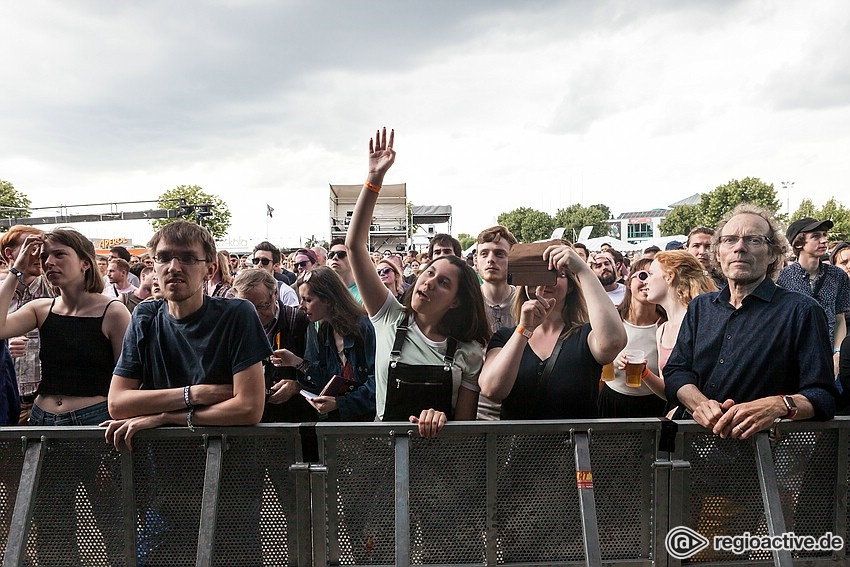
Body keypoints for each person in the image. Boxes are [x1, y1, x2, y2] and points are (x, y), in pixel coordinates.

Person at [103, 220, 269, 565]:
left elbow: (249, 408)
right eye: (163, 258)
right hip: (166, 478)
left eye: (187, 259)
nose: (173, 267)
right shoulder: (146, 316)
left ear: (209, 269)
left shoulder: (238, 314)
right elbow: (118, 403)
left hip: (233, 477)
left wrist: (163, 417)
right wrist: (197, 394)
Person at [345, 127, 490, 437]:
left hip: (440, 470)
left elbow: (465, 432)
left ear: (456, 301)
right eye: (429, 273)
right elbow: (355, 246)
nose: (428, 283)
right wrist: (374, 180)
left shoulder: (469, 351)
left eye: (443, 283)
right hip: (384, 456)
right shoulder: (388, 316)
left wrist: (443, 421)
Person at [0, 228, 131, 565]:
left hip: (95, 424)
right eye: (45, 256)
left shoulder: (113, 312)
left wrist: (117, 429)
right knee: (51, 520)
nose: (49, 262)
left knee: (112, 518)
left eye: (60, 255)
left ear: (86, 263)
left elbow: (127, 379)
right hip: (45, 424)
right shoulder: (41, 309)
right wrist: (16, 267)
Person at [664, 204, 837, 436]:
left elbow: (822, 395)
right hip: (696, 446)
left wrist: (778, 405)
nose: (739, 248)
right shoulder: (701, 307)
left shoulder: (802, 311)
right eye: (729, 240)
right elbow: (676, 371)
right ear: (718, 253)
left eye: (754, 240)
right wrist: (700, 404)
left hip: (764, 455)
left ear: (773, 253)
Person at [479, 243, 626, 419]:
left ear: (570, 286)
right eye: (539, 273)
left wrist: (582, 269)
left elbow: (613, 342)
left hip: (574, 444)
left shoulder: (585, 336)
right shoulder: (504, 337)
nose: (546, 281)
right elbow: (491, 389)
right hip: (520, 444)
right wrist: (524, 329)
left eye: (558, 274)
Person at [280, 267, 376, 420]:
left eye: (308, 300)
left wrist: (341, 403)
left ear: (329, 299)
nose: (301, 306)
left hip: (368, 422)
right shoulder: (325, 330)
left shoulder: (364, 328)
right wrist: (294, 361)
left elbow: (377, 382)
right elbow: (327, 377)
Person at [231, 268, 313, 423]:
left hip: (295, 419)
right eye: (246, 307)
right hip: (250, 419)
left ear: (275, 294)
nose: (255, 314)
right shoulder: (233, 327)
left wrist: (297, 386)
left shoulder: (298, 321)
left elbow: (320, 372)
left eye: (262, 306)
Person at [777, 218, 849, 373]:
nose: (824, 240)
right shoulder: (782, 278)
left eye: (824, 234)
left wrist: (837, 354)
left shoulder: (838, 276)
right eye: (816, 236)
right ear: (798, 243)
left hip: (829, 356)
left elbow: (839, 319)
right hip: (793, 359)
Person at [598, 258, 667, 418]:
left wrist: (644, 371)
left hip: (654, 404)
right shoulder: (612, 318)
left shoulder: (668, 325)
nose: (647, 282)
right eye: (643, 276)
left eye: (654, 276)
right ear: (629, 282)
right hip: (612, 400)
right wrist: (612, 357)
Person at [0, 225, 55, 424]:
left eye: (42, 248)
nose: (38, 255)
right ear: (9, 253)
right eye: (31, 247)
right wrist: (5, 344)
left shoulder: (54, 288)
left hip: (45, 400)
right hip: (7, 400)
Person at [643, 251, 717, 390]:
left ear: (669, 276)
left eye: (651, 274)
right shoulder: (662, 330)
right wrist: (644, 372)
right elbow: (670, 391)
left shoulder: (702, 324)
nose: (645, 281)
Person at [253, 241, 300, 306]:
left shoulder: (285, 292)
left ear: (276, 265)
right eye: (256, 261)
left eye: (265, 261)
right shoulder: (244, 289)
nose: (259, 264)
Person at [327, 238, 362, 303]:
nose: (335, 258)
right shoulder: (323, 290)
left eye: (341, 254)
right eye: (331, 255)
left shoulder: (363, 292)